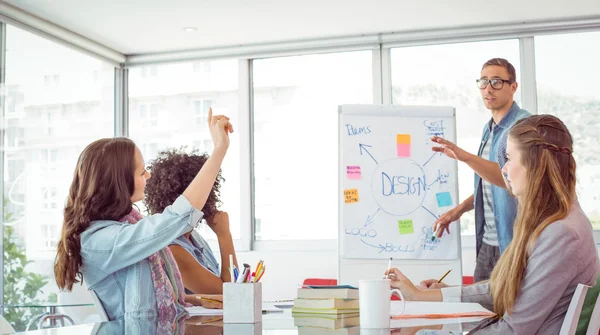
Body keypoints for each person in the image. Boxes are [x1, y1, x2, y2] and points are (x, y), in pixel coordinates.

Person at [386, 115, 600, 334]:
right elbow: (501, 291)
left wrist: (434, 327)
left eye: (508, 158)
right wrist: (422, 298)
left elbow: (512, 329)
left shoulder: (560, 233)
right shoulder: (559, 220)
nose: (504, 170)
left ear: (535, 165)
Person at [54, 109, 232, 320]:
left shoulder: (125, 228)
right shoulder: (102, 241)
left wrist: (195, 299)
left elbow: (150, 297)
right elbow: (178, 217)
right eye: (141, 172)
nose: (148, 175)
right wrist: (219, 150)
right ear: (119, 182)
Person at [430, 58, 531, 282]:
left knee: (507, 315)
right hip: (488, 243)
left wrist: (464, 156)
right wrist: (458, 210)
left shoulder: (524, 126)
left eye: (496, 82)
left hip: (514, 244)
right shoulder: (489, 129)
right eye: (484, 82)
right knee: (477, 314)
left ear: (513, 87)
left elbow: (507, 179)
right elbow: (489, 186)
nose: (488, 88)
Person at [144, 148, 238, 294]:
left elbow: (234, 285)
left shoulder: (195, 238)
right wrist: (224, 235)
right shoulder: (173, 250)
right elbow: (230, 294)